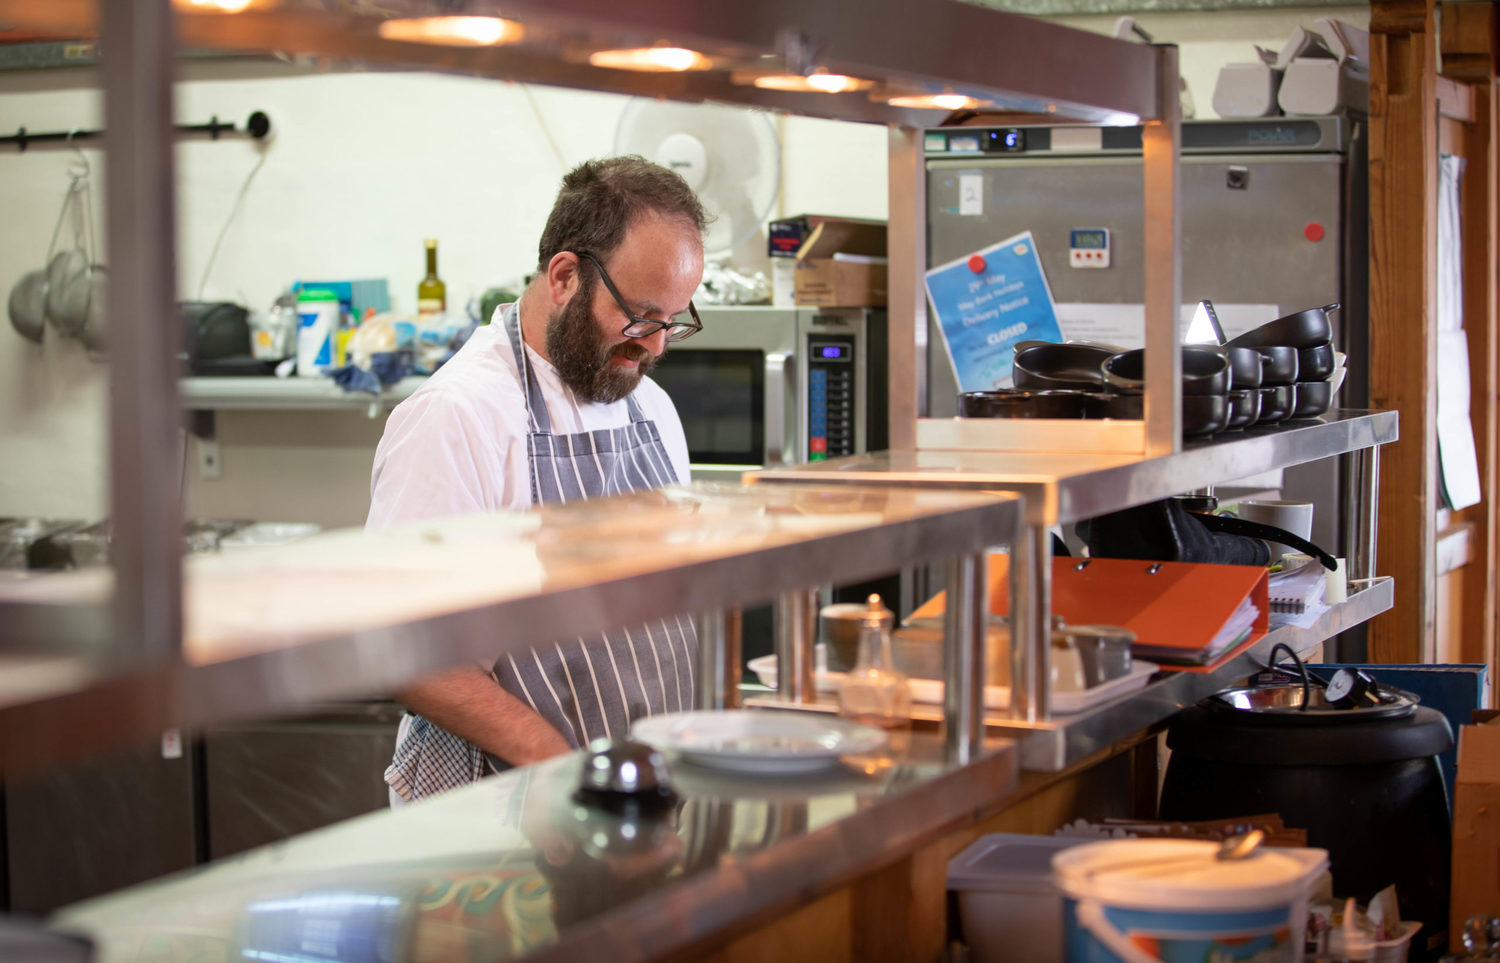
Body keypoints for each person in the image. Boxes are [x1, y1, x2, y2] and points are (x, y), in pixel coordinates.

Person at [368, 155, 708, 804]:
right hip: (509, 809)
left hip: (644, 791)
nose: (656, 347)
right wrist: (569, 774)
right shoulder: (458, 417)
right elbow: (409, 655)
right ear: (564, 277)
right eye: (640, 317)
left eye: (673, 322)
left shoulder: (651, 408)